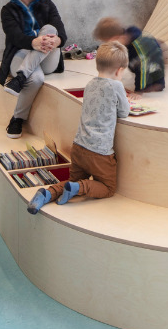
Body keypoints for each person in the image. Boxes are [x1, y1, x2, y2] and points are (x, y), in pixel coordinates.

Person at [26, 41, 130, 214]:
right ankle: (78, 188)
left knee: (72, 180)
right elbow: (124, 111)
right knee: (108, 188)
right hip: (100, 153)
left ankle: (46, 193)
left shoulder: (89, 84)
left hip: (79, 147)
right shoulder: (116, 85)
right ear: (119, 71)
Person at [0, 0, 66, 140]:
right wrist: (33, 43)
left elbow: (61, 34)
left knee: (50, 28)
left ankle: (20, 78)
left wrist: (56, 40)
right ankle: (17, 119)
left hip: (48, 59)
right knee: (35, 79)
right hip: (20, 55)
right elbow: (15, 37)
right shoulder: (8, 10)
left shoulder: (48, 4)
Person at [93, 18, 166, 91]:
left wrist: (138, 91)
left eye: (106, 42)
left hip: (152, 61)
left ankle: (157, 84)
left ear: (115, 38)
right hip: (143, 55)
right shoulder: (125, 38)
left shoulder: (137, 48)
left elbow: (143, 69)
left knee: (144, 71)